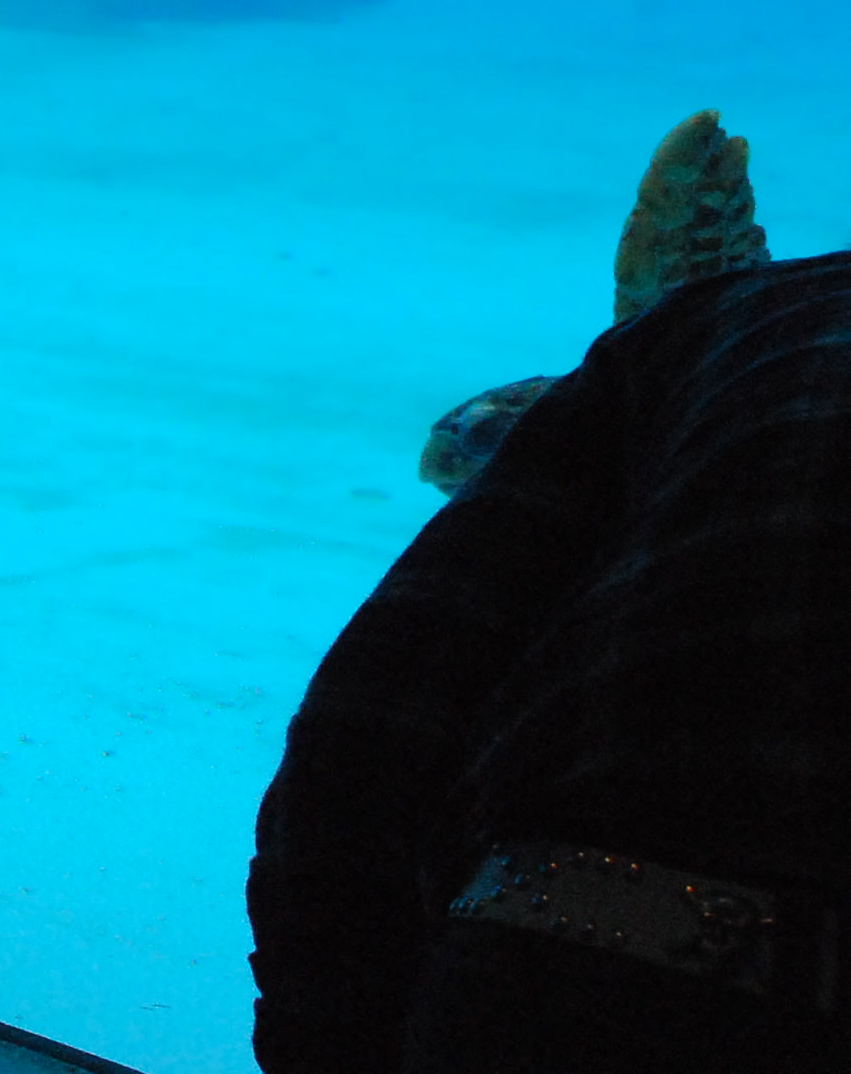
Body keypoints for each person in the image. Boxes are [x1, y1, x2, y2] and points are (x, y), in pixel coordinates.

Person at [249, 242, 851, 1070]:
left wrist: (325, 1037)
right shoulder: (714, 330)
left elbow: (367, 736)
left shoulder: (727, 322)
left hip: (554, 966)